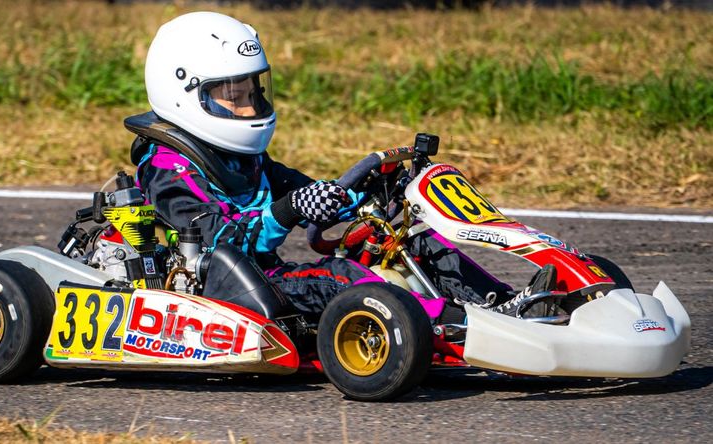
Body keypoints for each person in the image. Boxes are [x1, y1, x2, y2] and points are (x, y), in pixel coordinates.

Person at [132, 12, 555, 323]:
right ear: (183, 91)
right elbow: (219, 240)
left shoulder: (240, 155)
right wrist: (289, 210)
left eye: (252, 93)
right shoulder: (167, 167)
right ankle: (458, 325)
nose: (249, 108)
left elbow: (306, 191)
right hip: (221, 290)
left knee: (409, 243)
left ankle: (505, 306)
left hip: (260, 277)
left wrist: (368, 194)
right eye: (234, 97)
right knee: (338, 276)